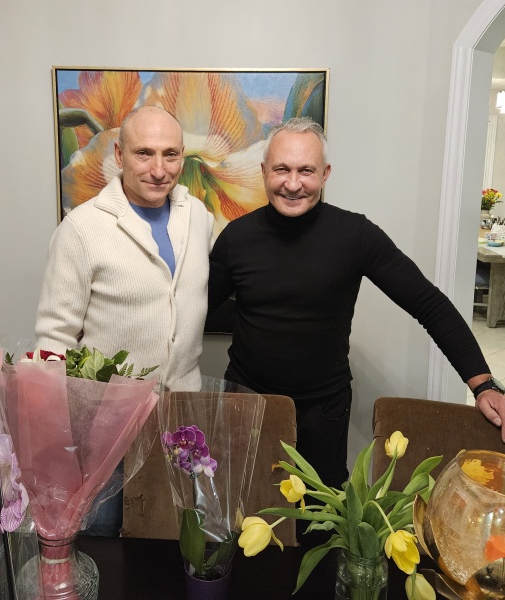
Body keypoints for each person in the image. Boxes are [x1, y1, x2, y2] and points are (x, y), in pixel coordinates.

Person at [208, 116, 505, 501]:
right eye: (281, 169)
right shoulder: (236, 238)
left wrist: (483, 384)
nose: (293, 184)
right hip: (246, 400)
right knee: (242, 507)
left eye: (306, 171)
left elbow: (428, 304)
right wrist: (254, 320)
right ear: (264, 171)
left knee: (322, 516)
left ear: (325, 173)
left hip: (322, 410)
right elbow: (198, 309)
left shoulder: (355, 235)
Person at [35, 105, 214, 535]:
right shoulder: (81, 229)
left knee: (175, 533)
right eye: (143, 153)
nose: (159, 169)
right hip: (105, 426)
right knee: (100, 534)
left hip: (182, 417)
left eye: (171, 154)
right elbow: (54, 337)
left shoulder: (199, 218)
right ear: (119, 154)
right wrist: (59, 434)